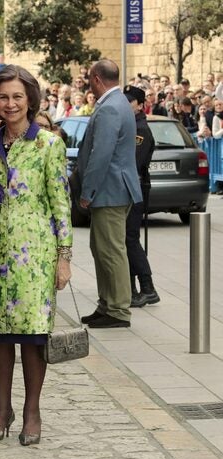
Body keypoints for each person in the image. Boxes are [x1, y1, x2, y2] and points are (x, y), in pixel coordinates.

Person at [0, 64, 72, 446]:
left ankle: (32, 411)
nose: (10, 104)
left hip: (36, 258)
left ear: (30, 99)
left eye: (17, 96)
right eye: (3, 97)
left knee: (32, 338)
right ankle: (1, 411)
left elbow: (60, 204)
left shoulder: (49, 144)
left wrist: (64, 257)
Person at [78, 59, 142, 329]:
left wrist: (87, 190)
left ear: (95, 78)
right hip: (115, 188)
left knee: (111, 251)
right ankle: (107, 304)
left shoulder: (109, 108)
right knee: (102, 248)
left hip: (109, 189)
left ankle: (117, 309)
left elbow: (100, 154)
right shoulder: (118, 103)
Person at [122, 86, 160, 308]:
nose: (126, 105)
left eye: (130, 101)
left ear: (138, 104)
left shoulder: (140, 130)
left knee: (130, 239)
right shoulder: (131, 125)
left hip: (135, 189)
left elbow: (133, 163)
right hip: (129, 188)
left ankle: (147, 287)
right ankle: (133, 289)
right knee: (126, 239)